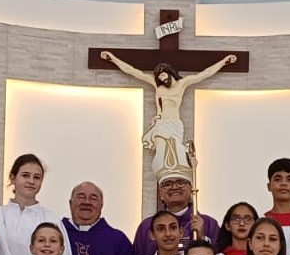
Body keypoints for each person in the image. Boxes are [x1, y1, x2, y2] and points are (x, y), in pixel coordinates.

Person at [99, 51, 237, 184]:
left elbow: (205, 73)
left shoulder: (183, 83)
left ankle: (180, 178)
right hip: (162, 123)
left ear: (170, 73)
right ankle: (162, 181)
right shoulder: (157, 85)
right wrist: (112, 58)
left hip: (175, 124)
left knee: (178, 154)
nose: (163, 80)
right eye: (161, 79)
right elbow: (133, 71)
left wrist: (224, 62)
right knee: (160, 155)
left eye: (165, 77)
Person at [0, 154, 74, 255]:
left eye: (37, 177)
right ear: (13, 178)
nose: (31, 181)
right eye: (25, 175)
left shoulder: (51, 219)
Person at [132, 171, 220, 255]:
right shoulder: (146, 226)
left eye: (181, 182)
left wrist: (202, 238)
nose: (174, 187)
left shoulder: (208, 223)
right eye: (168, 184)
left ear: (191, 189)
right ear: (161, 194)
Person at [63, 181, 135, 255]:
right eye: (81, 197)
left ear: (101, 205)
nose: (86, 202)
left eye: (93, 198)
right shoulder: (57, 234)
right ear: (70, 203)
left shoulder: (118, 240)